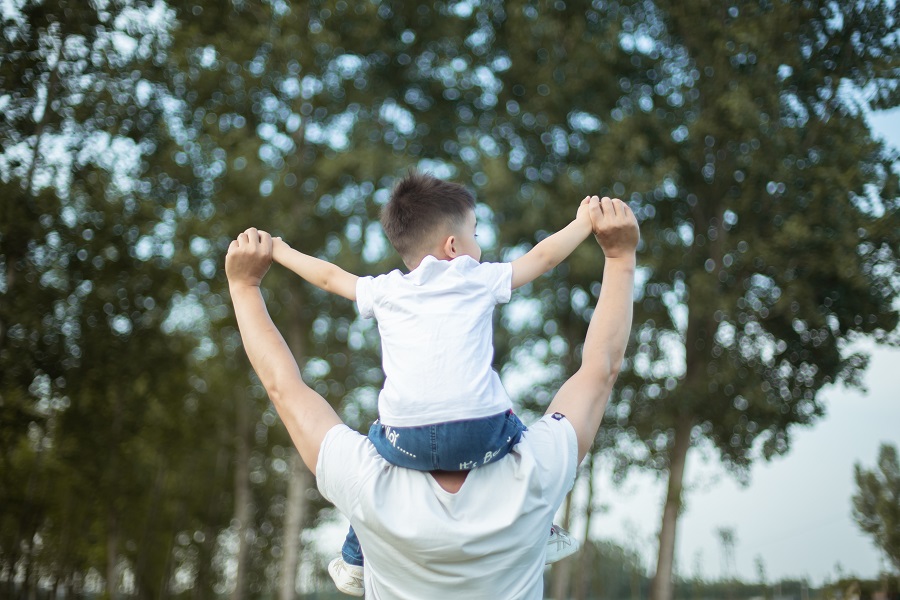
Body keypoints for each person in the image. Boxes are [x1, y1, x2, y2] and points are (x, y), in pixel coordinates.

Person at [225, 194, 638, 599]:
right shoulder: (535, 470)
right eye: (476, 234)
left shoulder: (368, 480)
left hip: (402, 443)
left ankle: (355, 557)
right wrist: (618, 256)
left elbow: (284, 385)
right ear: (453, 245)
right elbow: (600, 368)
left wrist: (247, 282)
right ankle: (543, 530)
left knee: (373, 448)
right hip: (489, 441)